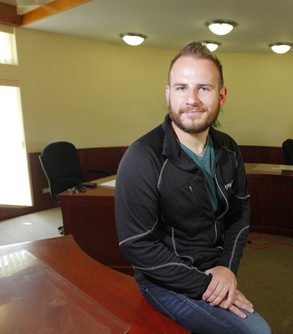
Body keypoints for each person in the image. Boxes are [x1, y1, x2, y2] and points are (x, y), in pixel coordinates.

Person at [115, 42, 271, 334]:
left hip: (214, 268)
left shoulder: (228, 148)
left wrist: (227, 269)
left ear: (222, 96)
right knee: (257, 331)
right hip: (163, 279)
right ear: (168, 94)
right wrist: (207, 285)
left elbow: (240, 212)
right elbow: (137, 245)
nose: (192, 99)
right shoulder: (141, 157)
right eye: (181, 88)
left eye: (204, 88)